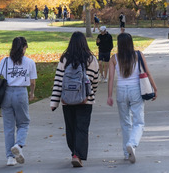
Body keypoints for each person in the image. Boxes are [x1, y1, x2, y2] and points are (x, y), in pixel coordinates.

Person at [50, 32, 99, 168]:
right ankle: (77, 155)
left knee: (71, 128)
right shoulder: (91, 59)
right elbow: (95, 79)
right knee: (82, 128)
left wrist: (54, 101)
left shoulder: (64, 59)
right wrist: (91, 94)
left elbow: (58, 81)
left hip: (67, 100)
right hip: (85, 101)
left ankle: (74, 153)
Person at [107, 33, 157, 164]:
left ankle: (126, 152)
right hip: (136, 90)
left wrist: (109, 96)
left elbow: (111, 78)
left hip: (121, 91)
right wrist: (154, 88)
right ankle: (132, 144)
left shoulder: (114, 58)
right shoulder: (138, 55)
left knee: (125, 123)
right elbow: (148, 72)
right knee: (139, 122)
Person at [0, 37, 37, 166]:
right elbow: (32, 82)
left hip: (6, 93)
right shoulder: (29, 62)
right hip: (21, 93)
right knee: (23, 123)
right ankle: (19, 144)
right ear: (24, 48)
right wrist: (32, 92)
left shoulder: (5, 61)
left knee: (8, 127)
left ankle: (10, 158)